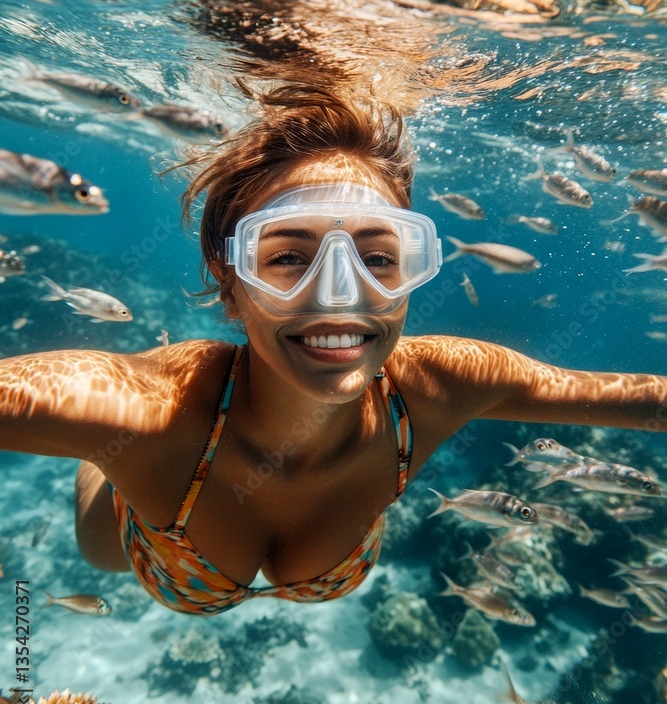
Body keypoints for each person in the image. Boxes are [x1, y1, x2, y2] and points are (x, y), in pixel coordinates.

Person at [1, 84, 666, 615]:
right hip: (125, 530)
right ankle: (99, 462)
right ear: (230, 288)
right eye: (289, 256)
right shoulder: (143, 411)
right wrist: (100, 440)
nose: (340, 295)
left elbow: (640, 401)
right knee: (99, 499)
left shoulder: (438, 385)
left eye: (378, 256)